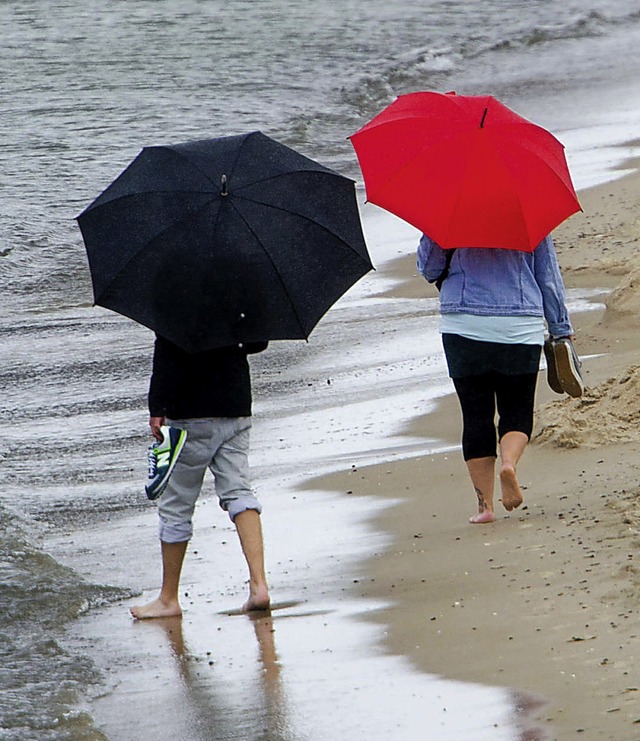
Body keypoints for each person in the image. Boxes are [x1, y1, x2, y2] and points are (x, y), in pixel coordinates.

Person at [417, 233, 582, 524]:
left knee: (475, 415)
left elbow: (429, 268)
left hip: (463, 324)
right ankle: (508, 465)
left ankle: (485, 507)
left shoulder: (449, 207)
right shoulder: (527, 210)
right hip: (519, 325)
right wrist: (559, 326)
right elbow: (547, 274)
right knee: (517, 412)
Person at [130, 335, 270, 619]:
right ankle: (259, 585)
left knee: (176, 506)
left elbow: (168, 352)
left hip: (190, 410)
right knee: (239, 493)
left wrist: (157, 408)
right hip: (235, 404)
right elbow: (257, 341)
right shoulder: (241, 289)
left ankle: (168, 598)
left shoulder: (175, 293)